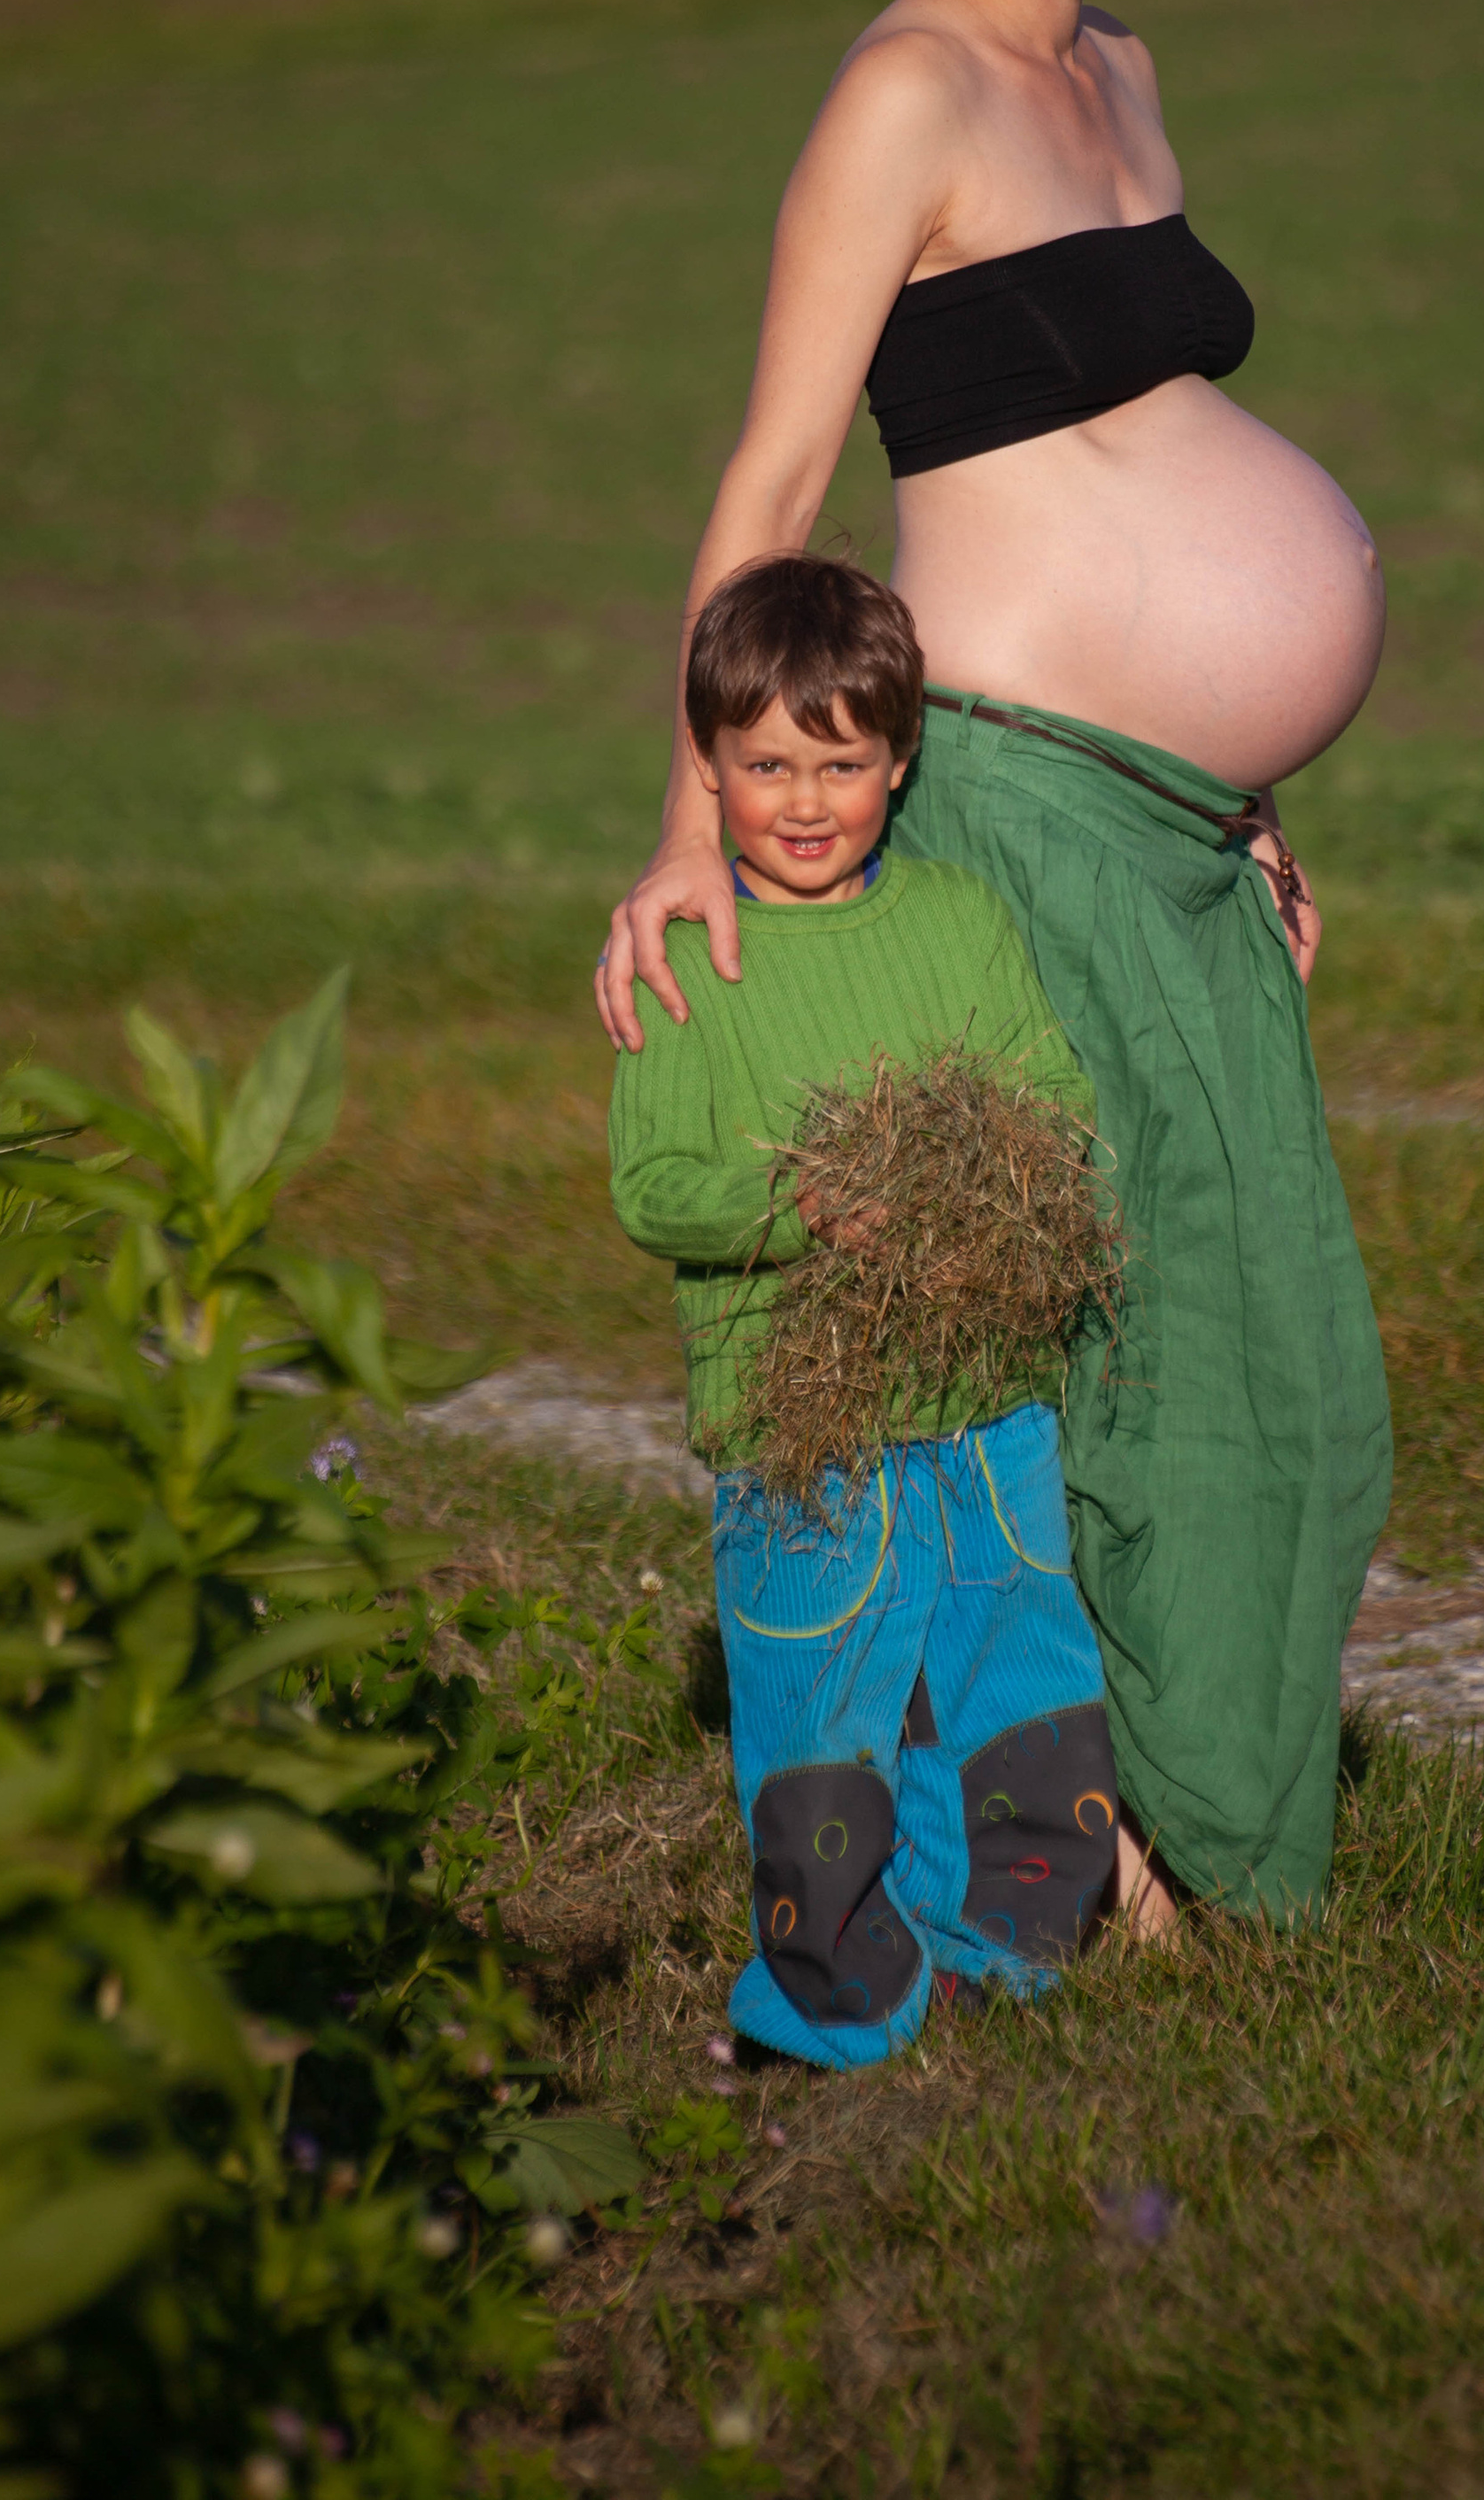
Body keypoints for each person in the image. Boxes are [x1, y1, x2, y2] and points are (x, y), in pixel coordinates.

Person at [600, 0, 1392, 1931]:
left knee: (1279, 1343)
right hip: (1021, 797)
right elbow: (772, 483)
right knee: (1149, 1333)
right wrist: (691, 825)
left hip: (1171, 820)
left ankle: (1157, 1802)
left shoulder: (1121, 74)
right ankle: (1115, 1839)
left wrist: (1247, 781)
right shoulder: (905, 99)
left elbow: (1150, 442)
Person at [607, 550, 1119, 2070]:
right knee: (823, 1725)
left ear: (901, 760)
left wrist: (987, 1190)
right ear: (709, 767)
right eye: (768, 765)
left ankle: (1002, 1971)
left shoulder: (957, 919)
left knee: (1021, 1698)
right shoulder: (690, 954)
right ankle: (826, 2017)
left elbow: (1050, 1095)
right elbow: (654, 1186)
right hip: (803, 1426)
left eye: (842, 764)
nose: (806, 802)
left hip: (986, 1398)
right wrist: (807, 1206)